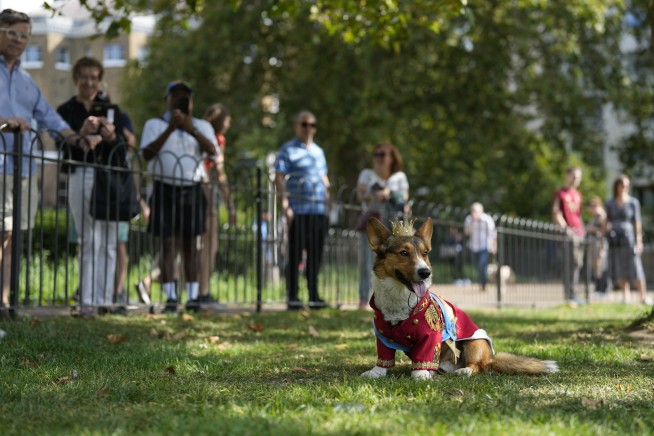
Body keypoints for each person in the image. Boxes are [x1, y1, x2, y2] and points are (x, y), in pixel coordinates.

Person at [0, 10, 101, 312]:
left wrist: (78, 136)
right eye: (12, 33)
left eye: (24, 35)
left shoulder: (28, 81)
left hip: (24, 169)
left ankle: (4, 303)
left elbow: (50, 118)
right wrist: (6, 121)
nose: (18, 40)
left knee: (11, 236)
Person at [57, 56, 128, 315]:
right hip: (82, 174)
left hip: (107, 178)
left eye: (94, 78)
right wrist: (82, 132)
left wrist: (111, 137)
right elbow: (61, 145)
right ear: (76, 79)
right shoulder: (66, 110)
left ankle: (104, 297)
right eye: (84, 77)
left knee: (109, 240)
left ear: (100, 81)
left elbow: (123, 150)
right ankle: (86, 300)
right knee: (89, 238)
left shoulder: (112, 110)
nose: (89, 82)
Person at [140, 80, 217, 314]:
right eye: (176, 97)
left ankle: (193, 297)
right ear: (168, 100)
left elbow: (213, 151)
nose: (180, 100)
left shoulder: (202, 126)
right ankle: (171, 297)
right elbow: (146, 154)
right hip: (165, 188)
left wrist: (190, 128)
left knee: (191, 245)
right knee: (167, 244)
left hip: (191, 189)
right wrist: (171, 128)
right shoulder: (154, 124)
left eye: (185, 97)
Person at [274, 110, 330, 310]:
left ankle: (314, 296)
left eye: (312, 125)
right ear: (296, 126)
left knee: (315, 256)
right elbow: (279, 178)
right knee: (295, 254)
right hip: (298, 210)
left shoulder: (318, 152)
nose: (308, 128)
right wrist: (285, 205)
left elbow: (324, 180)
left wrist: (328, 204)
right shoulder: (288, 150)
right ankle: (293, 297)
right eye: (304, 124)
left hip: (318, 211)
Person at [355, 143, 409, 310]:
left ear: (391, 157)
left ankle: (391, 299)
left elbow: (405, 198)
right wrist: (372, 195)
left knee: (393, 262)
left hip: (393, 226)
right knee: (366, 262)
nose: (379, 158)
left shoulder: (399, 177)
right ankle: (364, 299)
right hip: (372, 224)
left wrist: (390, 193)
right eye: (376, 155)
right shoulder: (367, 174)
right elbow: (360, 195)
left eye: (383, 155)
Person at [194, 103, 236, 311]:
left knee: (195, 245)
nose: (229, 124)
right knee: (209, 245)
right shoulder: (217, 139)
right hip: (206, 190)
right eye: (227, 120)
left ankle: (199, 290)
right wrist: (230, 205)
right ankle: (203, 292)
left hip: (195, 188)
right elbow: (219, 172)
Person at [603, 175, 651, 305]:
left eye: (627, 186)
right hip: (615, 239)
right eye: (622, 185)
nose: (625, 188)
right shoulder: (610, 203)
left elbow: (637, 222)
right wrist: (603, 235)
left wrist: (639, 240)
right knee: (620, 265)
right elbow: (606, 221)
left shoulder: (633, 202)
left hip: (629, 238)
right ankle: (625, 295)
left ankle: (643, 296)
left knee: (635, 266)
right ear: (617, 186)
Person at [552, 166, 585, 306]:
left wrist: (583, 229)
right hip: (568, 234)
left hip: (579, 233)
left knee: (578, 263)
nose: (576, 179)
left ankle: (574, 293)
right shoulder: (560, 193)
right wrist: (565, 228)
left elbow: (578, 215)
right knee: (570, 264)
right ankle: (570, 295)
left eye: (578, 177)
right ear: (567, 175)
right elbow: (555, 212)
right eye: (573, 176)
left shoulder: (578, 195)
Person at [463, 202, 497, 291]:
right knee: (477, 266)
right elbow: (467, 232)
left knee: (482, 265)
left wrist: (494, 246)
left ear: (481, 211)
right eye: (473, 211)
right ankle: (482, 282)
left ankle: (483, 284)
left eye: (476, 211)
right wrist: (473, 222)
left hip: (484, 246)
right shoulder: (469, 219)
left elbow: (493, 234)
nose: (474, 213)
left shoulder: (487, 219)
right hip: (473, 247)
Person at [586, 196, 608, 296]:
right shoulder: (596, 216)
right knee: (596, 266)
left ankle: (602, 289)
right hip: (594, 242)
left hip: (599, 243)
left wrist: (592, 229)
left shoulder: (601, 215)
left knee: (600, 265)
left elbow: (604, 230)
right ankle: (598, 289)